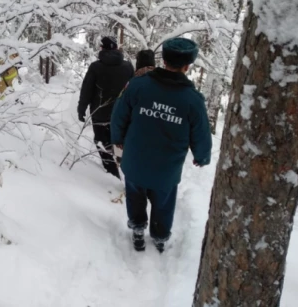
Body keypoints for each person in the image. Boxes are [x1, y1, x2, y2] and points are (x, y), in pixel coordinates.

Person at [111, 37, 211, 252]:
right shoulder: (193, 100)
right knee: (163, 203)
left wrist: (117, 138)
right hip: (167, 167)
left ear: (163, 60)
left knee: (135, 197)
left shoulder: (138, 86)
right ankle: (160, 236)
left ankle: (137, 229)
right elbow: (201, 132)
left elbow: (118, 116)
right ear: (187, 66)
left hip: (135, 159)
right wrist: (201, 156)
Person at [78, 36, 134, 178]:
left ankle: (111, 172)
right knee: (118, 142)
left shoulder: (96, 67)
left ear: (102, 48)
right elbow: (133, 90)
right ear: (116, 48)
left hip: (100, 113)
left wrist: (81, 108)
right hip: (122, 114)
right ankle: (122, 167)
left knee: (102, 141)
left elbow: (87, 90)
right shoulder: (128, 66)